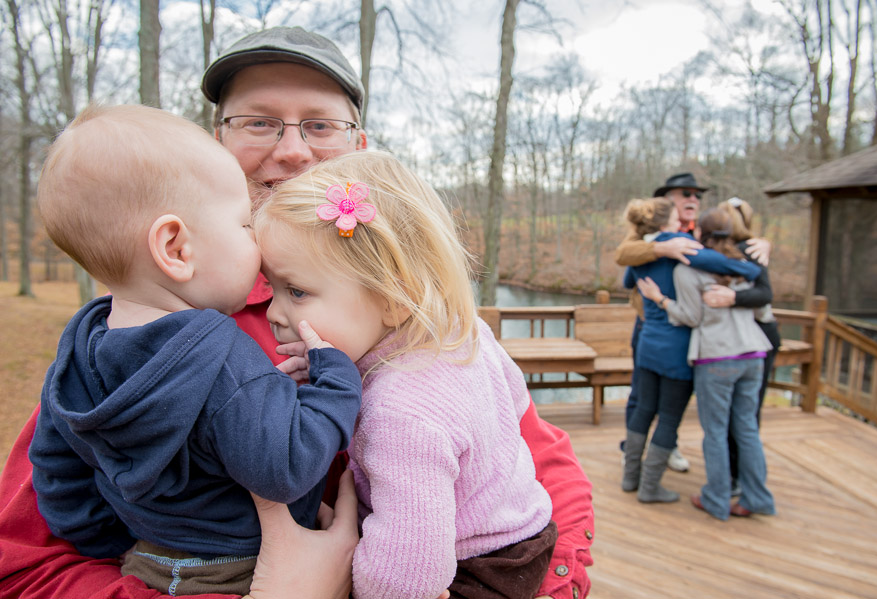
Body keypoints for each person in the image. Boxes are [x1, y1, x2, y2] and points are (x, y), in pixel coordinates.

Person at [0, 25, 593, 599]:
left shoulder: (415, 319)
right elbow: (25, 565)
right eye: (258, 122)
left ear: (358, 149)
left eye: (320, 124)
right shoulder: (143, 336)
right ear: (218, 145)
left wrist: (556, 580)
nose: (292, 150)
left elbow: (537, 461)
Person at [28, 104, 363, 596]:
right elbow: (286, 467)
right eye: (246, 225)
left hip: (146, 566)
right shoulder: (222, 356)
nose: (258, 244)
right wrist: (336, 380)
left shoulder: (79, 347)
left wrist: (111, 542)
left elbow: (57, 474)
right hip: (244, 572)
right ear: (176, 249)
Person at [256, 150, 557, 599]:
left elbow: (404, 577)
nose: (274, 312)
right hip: (526, 533)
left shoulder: (397, 414)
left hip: (473, 568)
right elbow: (512, 404)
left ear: (395, 298)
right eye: (272, 286)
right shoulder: (464, 331)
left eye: (296, 291)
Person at [615, 173, 772, 473]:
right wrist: (662, 248)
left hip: (663, 333)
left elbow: (627, 278)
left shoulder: (703, 229)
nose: (693, 199)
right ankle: (648, 475)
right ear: (667, 203)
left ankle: (636, 469)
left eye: (697, 195)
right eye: (685, 194)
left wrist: (764, 244)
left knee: (650, 402)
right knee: (658, 404)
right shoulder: (671, 237)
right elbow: (623, 254)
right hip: (670, 331)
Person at [636, 208, 777, 520]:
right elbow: (761, 308)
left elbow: (691, 317)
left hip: (716, 358)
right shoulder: (745, 266)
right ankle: (757, 497)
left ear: (699, 234)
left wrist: (659, 298)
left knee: (715, 431)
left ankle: (716, 497)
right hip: (753, 354)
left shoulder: (688, 270)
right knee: (747, 428)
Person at [703, 197, 780, 497]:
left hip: (755, 340)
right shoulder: (731, 253)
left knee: (744, 419)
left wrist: (732, 298)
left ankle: (737, 481)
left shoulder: (748, 253)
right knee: (742, 420)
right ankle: (741, 482)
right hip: (746, 344)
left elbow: (765, 293)